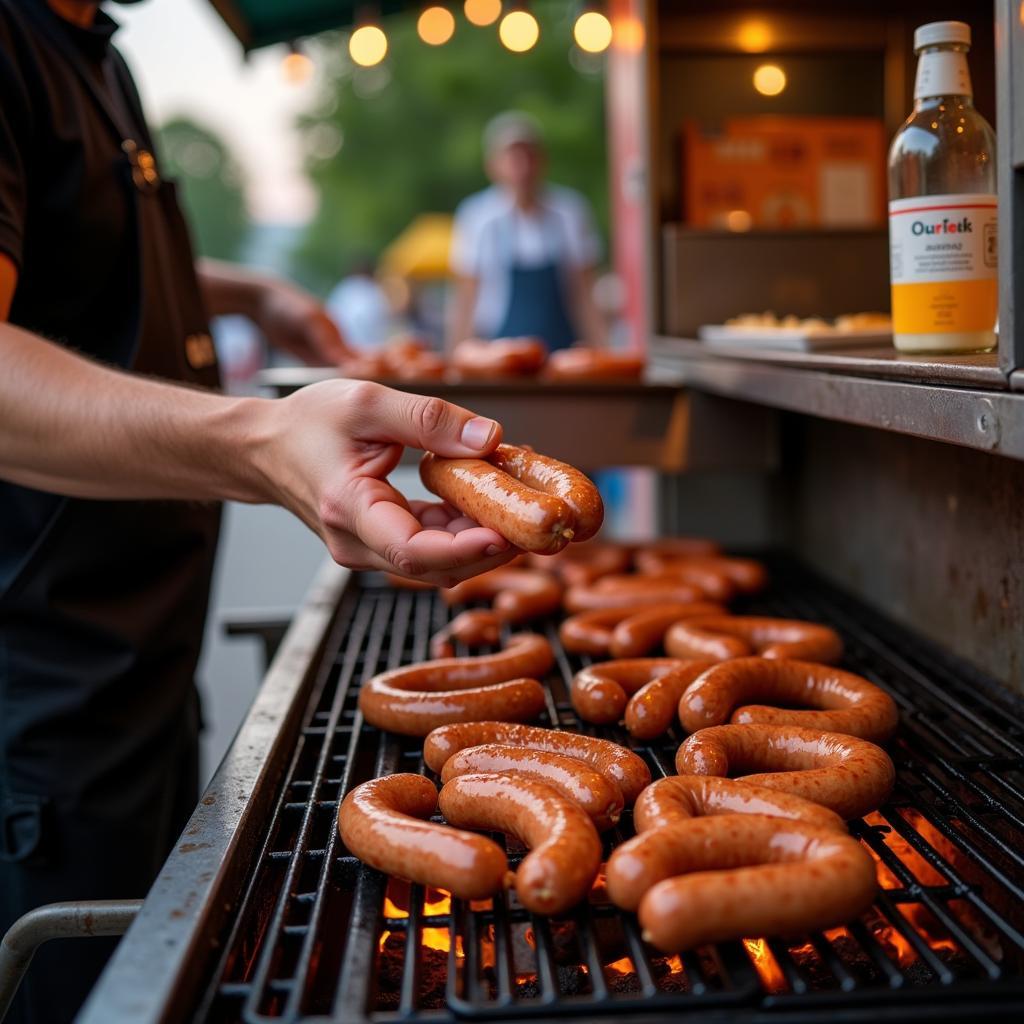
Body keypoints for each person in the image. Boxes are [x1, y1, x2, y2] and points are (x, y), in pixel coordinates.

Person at [0, 3, 513, 1021]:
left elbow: (78, 265)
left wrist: (248, 295)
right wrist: (260, 442)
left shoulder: (97, 54)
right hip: (42, 698)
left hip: (144, 658)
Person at [447, 111, 606, 352]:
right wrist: (456, 356)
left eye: (529, 155)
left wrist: (601, 349)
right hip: (499, 352)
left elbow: (585, 293)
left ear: (542, 160)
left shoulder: (570, 211)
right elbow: (466, 297)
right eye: (512, 157)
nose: (522, 166)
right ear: (492, 165)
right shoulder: (476, 216)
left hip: (562, 351)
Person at [325, 255, 399, 350]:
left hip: (341, 348)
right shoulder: (373, 291)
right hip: (368, 350)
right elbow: (382, 320)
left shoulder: (341, 289)